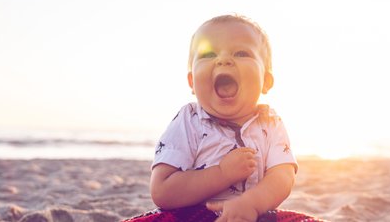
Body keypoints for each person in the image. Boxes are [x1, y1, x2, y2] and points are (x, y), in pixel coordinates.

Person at [125, 14, 314, 222]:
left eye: (241, 53)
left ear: (266, 81)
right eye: (208, 54)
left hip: (253, 215)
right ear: (192, 81)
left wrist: (250, 204)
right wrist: (222, 173)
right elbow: (162, 191)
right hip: (192, 216)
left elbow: (282, 177)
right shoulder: (189, 120)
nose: (223, 60)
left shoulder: (270, 122)